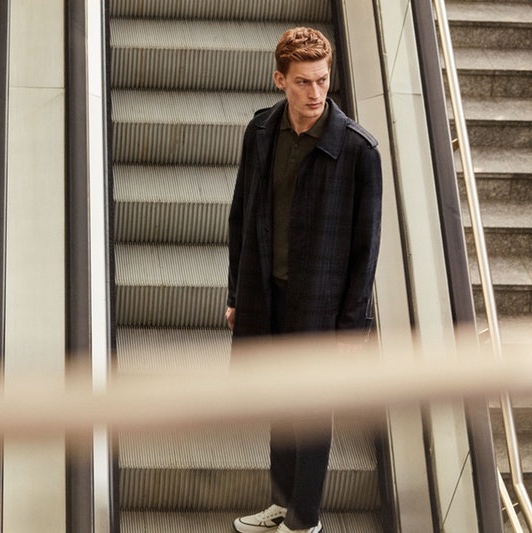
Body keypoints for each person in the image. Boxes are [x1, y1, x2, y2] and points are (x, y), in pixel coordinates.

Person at [227, 27, 382, 533]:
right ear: (280, 81)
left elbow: (366, 249)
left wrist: (351, 327)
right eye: (303, 82)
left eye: (323, 80)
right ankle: (282, 503)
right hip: (266, 295)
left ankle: (305, 521)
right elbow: (241, 216)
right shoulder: (260, 132)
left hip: (320, 304)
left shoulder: (359, 152)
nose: (316, 93)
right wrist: (236, 294)